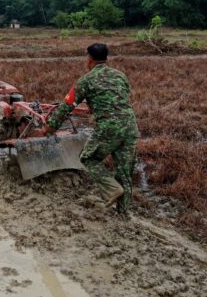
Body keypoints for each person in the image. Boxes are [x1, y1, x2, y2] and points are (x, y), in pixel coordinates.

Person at [45, 43, 138, 214]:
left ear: (89, 59)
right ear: (106, 58)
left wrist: (49, 128)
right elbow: (120, 98)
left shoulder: (86, 80)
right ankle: (123, 216)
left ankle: (111, 189)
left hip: (109, 127)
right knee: (125, 173)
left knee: (88, 158)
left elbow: (66, 106)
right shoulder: (120, 76)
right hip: (131, 126)